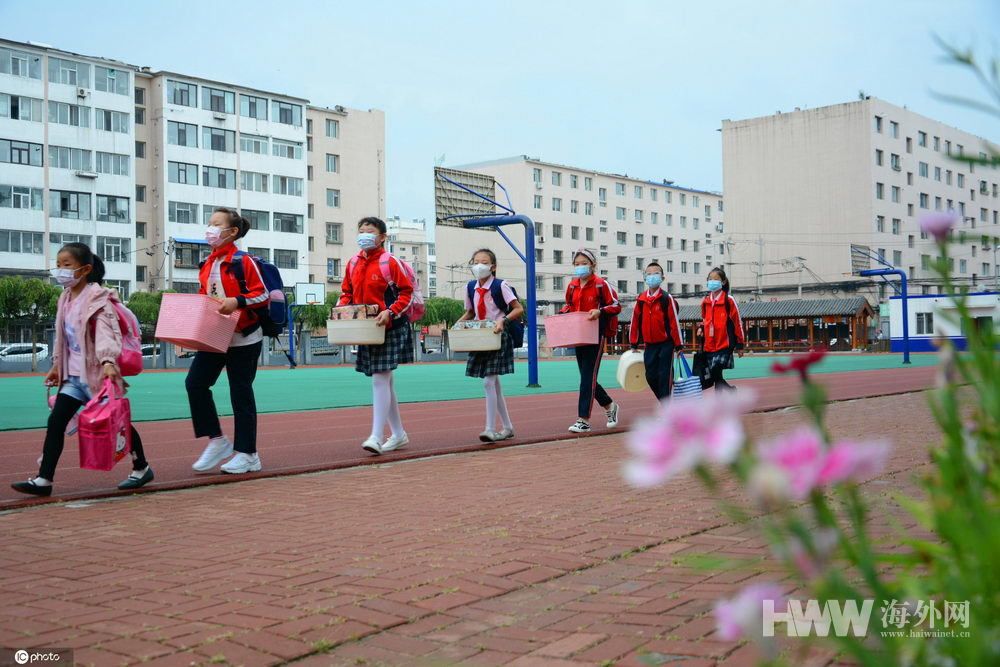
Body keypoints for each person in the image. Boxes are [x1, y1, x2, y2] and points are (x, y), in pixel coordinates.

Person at [11, 243, 153, 496]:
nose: (61, 270)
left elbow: (106, 332)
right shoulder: (65, 298)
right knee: (56, 422)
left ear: (85, 269)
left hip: (97, 376)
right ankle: (44, 479)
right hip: (73, 379)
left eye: (67, 265)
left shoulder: (98, 298)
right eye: (58, 264)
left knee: (117, 423)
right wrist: (57, 365)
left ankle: (141, 467)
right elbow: (63, 337)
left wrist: (108, 362)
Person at [187, 208, 269, 474]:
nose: (210, 229)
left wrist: (238, 301)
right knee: (195, 383)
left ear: (232, 232)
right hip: (216, 335)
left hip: (244, 337)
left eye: (216, 224)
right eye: (209, 223)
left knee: (240, 393)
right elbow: (205, 298)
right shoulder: (207, 264)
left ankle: (248, 454)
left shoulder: (244, 262)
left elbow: (263, 294)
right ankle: (217, 439)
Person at [338, 217, 415, 455]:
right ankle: (398, 434)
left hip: (391, 326)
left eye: (369, 231)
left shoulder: (390, 262)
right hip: (366, 327)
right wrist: (341, 309)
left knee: (380, 378)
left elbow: (407, 293)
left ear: (382, 237)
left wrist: (390, 312)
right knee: (384, 380)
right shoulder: (353, 262)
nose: (364, 235)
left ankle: (376, 436)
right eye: (361, 231)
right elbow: (346, 292)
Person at [455, 249, 523, 442]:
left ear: (493, 267)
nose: (479, 266)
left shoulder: (501, 285)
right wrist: (457, 325)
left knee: (488, 382)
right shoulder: (470, 287)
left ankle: (490, 429)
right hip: (480, 336)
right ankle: (507, 427)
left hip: (498, 335)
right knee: (494, 384)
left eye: (484, 262)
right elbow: (470, 312)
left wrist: (503, 321)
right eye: (476, 262)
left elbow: (518, 308)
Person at [560, 249, 622, 433]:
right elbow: (569, 305)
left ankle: (583, 420)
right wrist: (562, 313)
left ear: (593, 265)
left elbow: (616, 305)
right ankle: (610, 406)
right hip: (578, 335)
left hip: (596, 334)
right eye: (577, 264)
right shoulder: (572, 286)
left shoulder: (601, 284)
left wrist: (599, 311)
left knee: (588, 377)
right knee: (587, 377)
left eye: (584, 263)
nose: (580, 267)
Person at [629, 262, 684, 400]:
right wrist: (633, 343)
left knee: (664, 377)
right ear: (644, 278)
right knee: (650, 376)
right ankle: (667, 403)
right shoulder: (641, 299)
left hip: (666, 344)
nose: (652, 276)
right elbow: (635, 321)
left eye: (656, 273)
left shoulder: (666, 298)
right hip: (649, 345)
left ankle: (667, 407)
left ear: (662, 278)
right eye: (649, 274)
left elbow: (674, 322)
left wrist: (679, 346)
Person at [698, 267, 745, 391]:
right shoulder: (705, 301)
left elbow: (737, 323)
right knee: (716, 375)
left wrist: (740, 345)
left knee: (716, 370)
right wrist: (701, 328)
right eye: (710, 279)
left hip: (725, 344)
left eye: (716, 279)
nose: (712, 282)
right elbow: (704, 319)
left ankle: (726, 394)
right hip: (709, 344)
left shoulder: (729, 300)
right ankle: (729, 391)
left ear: (723, 282)